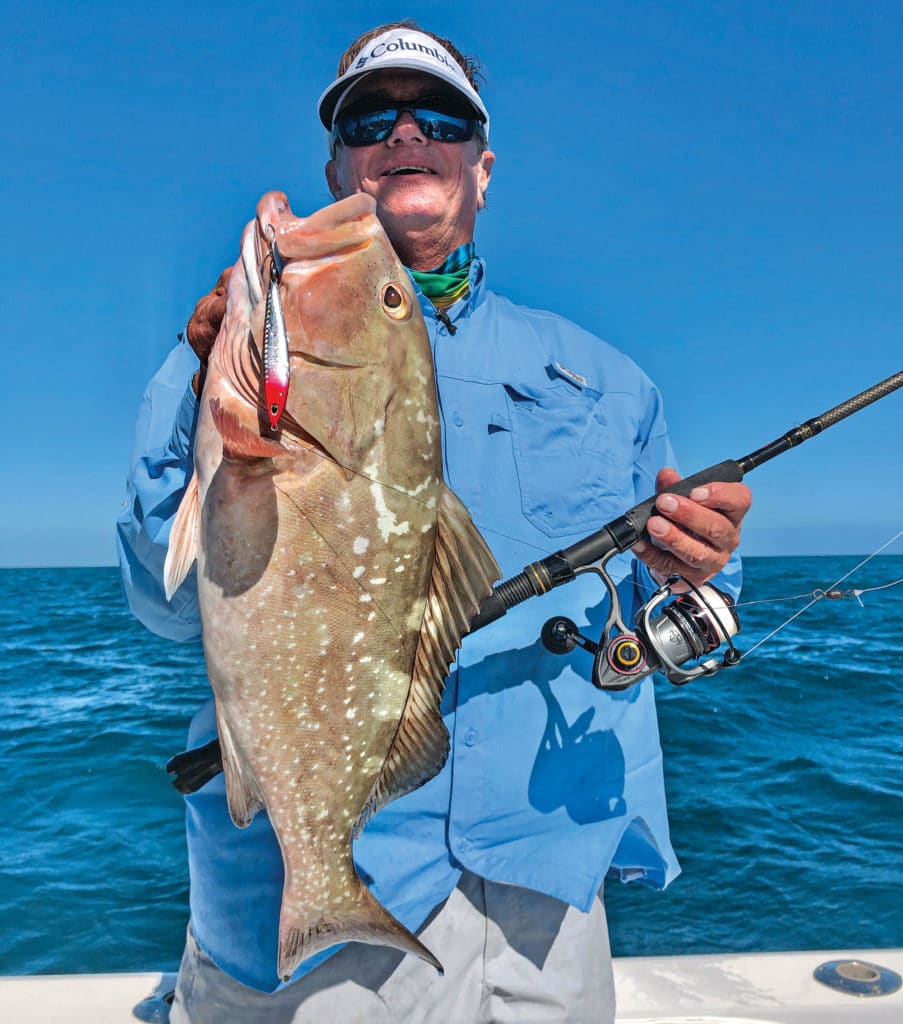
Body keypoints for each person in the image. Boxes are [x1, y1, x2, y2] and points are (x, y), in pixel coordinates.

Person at [118, 21, 751, 1024]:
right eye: (372, 119)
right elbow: (163, 595)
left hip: (549, 894)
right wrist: (210, 376)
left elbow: (683, 607)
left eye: (440, 117)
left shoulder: (609, 382)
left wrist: (695, 572)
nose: (406, 131)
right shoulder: (235, 349)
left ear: (481, 167)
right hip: (307, 898)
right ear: (339, 166)